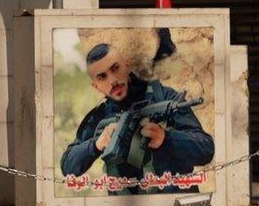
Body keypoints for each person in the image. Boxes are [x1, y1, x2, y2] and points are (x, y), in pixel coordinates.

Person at [60, 43, 214, 195]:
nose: (112, 80)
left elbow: (206, 148)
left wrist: (166, 138)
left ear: (126, 66)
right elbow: (68, 167)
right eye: (102, 77)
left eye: (115, 68)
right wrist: (97, 143)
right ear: (96, 86)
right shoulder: (98, 117)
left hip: (170, 204)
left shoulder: (164, 97)